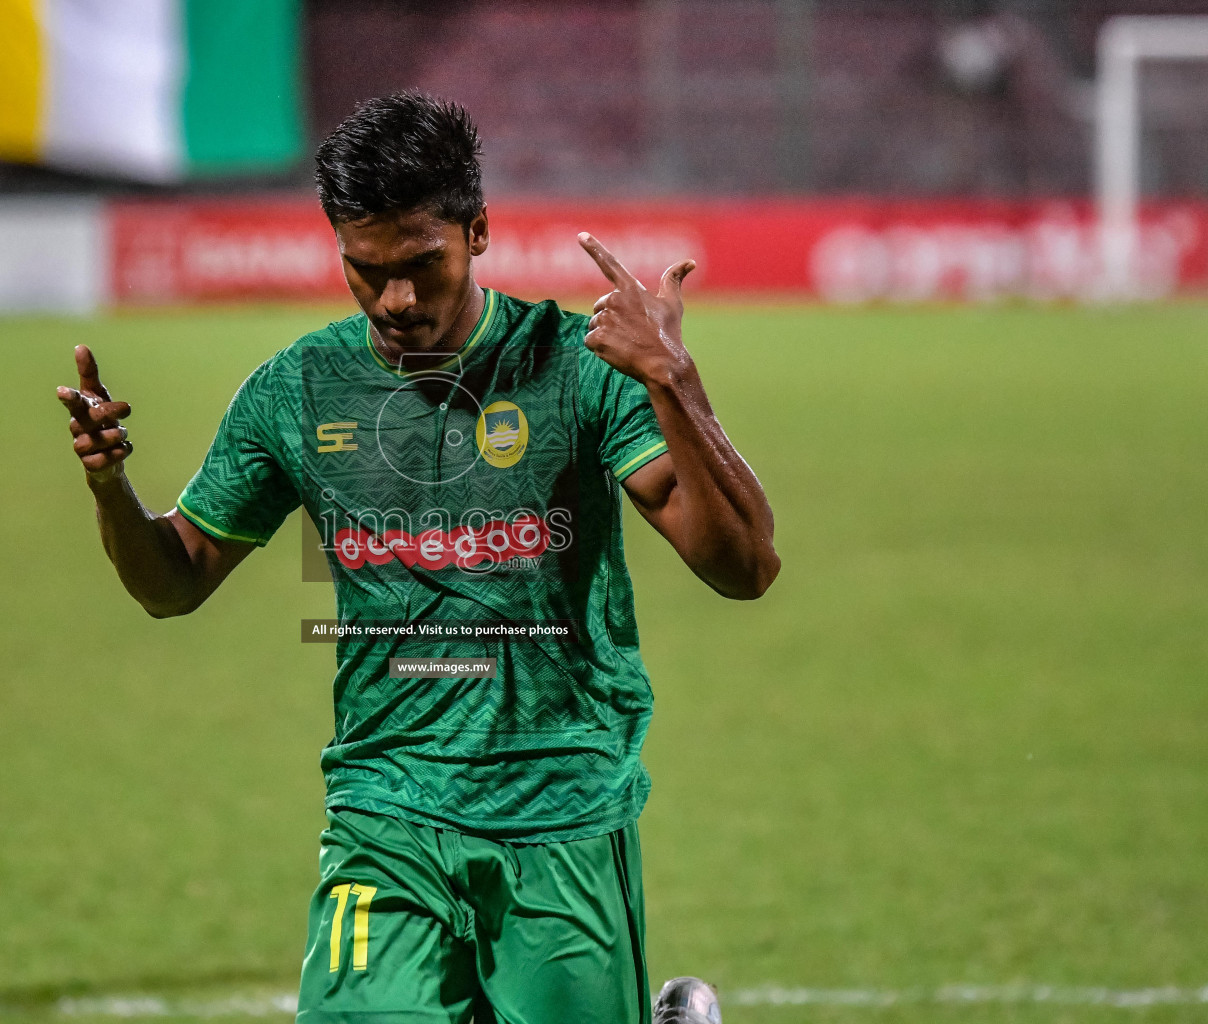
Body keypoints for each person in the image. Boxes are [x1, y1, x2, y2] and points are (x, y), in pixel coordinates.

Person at [58, 92, 776, 1024]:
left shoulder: (575, 366)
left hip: (557, 807)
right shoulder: (298, 391)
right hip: (381, 811)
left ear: (477, 231)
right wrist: (112, 488)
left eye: (419, 265)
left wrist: (673, 379)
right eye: (365, 270)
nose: (395, 300)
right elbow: (175, 581)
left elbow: (744, 565)